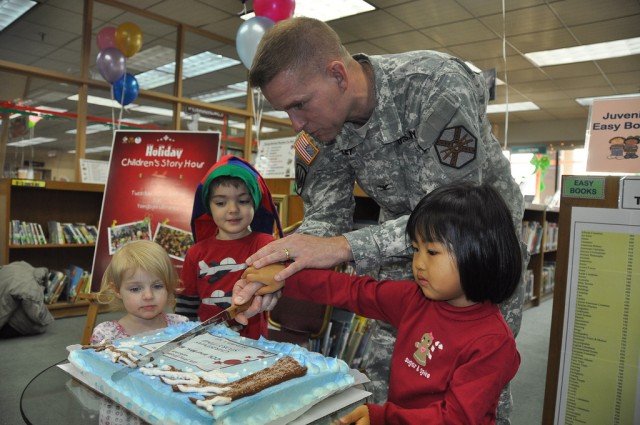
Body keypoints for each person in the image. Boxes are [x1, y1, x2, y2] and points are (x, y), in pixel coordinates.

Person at [242, 16, 528, 422]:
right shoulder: (316, 134)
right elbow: (325, 220)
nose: (295, 124)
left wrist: (343, 246)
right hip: (406, 256)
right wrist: (280, 272)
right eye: (285, 110)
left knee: (472, 399)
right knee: (386, 382)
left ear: (338, 75)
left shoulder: (436, 85)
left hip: (475, 260)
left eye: (299, 104)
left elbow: (452, 218)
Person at [236, 182, 522, 424]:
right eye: (415, 249)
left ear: (479, 253)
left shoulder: (492, 342)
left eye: (432, 252)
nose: (418, 263)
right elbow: (353, 290)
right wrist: (286, 278)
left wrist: (383, 417)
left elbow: (455, 418)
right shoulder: (415, 299)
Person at [174, 155, 283, 340]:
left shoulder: (265, 245)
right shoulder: (196, 253)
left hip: (252, 344)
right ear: (208, 206)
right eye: (221, 203)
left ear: (255, 203)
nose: (232, 209)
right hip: (205, 344)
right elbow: (187, 303)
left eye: (243, 201)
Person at [90, 240, 187, 345]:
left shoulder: (181, 326)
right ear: (117, 290)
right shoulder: (107, 336)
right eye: (135, 289)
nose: (149, 296)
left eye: (157, 286)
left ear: (168, 286)